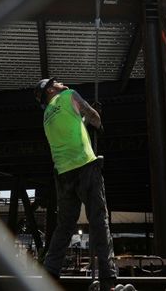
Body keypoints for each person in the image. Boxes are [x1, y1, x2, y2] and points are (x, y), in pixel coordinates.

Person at [35, 77, 117, 286]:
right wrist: (97, 121)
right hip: (85, 166)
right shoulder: (69, 95)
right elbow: (92, 115)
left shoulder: (46, 115)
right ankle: (108, 274)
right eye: (57, 83)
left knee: (64, 225)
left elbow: (73, 126)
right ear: (51, 90)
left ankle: (51, 270)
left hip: (63, 174)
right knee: (99, 219)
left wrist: (85, 122)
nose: (61, 83)